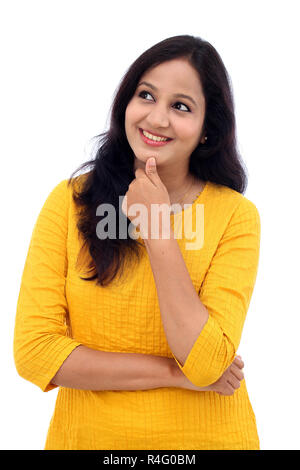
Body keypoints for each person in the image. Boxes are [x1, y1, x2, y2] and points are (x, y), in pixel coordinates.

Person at [13, 34, 261, 450]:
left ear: (206, 129)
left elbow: (204, 362)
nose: (158, 118)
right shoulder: (69, 202)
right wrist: (174, 374)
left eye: (181, 106)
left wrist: (158, 226)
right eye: (146, 95)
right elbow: (36, 352)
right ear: (126, 103)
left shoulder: (235, 216)